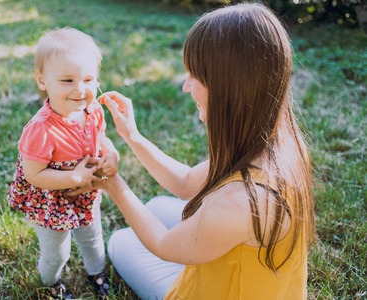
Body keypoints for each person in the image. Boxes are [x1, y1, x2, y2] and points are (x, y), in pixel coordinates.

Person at [96, 3, 315, 299]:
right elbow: (186, 182)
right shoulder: (275, 146)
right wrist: (132, 136)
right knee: (159, 204)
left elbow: (163, 244)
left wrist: (114, 185)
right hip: (243, 272)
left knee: (121, 241)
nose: (186, 87)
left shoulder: (239, 203)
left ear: (230, 88)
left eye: (195, 76)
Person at [7, 27, 118, 299]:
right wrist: (74, 178)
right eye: (67, 80)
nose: (80, 90)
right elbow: (33, 174)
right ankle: (51, 283)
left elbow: (101, 138)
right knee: (57, 253)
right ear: (42, 80)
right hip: (50, 200)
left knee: (92, 237)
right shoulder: (41, 129)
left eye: (89, 79)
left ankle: (97, 273)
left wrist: (112, 153)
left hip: (85, 193)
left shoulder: (92, 112)